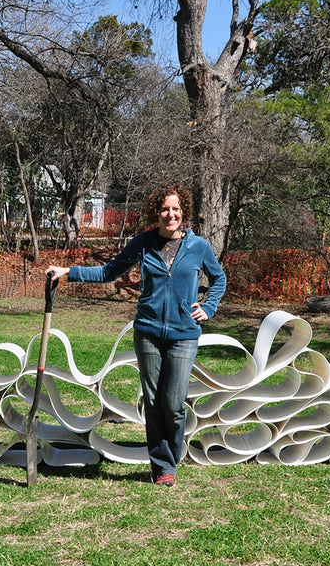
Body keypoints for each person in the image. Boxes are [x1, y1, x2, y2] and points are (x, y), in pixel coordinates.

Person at [46, 185, 226, 487]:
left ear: (184, 213)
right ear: (157, 213)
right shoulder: (143, 243)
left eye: (176, 209)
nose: (171, 215)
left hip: (184, 334)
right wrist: (68, 271)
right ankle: (163, 467)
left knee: (174, 403)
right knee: (154, 402)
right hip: (148, 333)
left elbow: (219, 278)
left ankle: (171, 454)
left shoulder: (199, 247)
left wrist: (208, 307)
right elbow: (109, 272)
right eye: (165, 209)